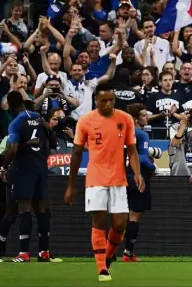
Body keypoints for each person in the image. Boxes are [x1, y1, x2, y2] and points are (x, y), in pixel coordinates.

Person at [65, 83, 144, 282]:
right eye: (104, 101)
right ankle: (101, 268)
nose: (108, 104)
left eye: (112, 100)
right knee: (99, 221)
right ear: (96, 101)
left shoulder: (125, 119)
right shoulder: (85, 121)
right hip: (95, 178)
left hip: (119, 179)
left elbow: (132, 149)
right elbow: (76, 154)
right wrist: (71, 186)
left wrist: (137, 173)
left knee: (120, 224)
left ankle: (108, 255)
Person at [0, 91, 56, 262]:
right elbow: (52, 143)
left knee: (24, 209)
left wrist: (4, 167)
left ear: (11, 104)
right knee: (42, 210)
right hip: (41, 168)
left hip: (24, 169)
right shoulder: (39, 118)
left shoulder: (16, 122)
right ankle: (44, 252)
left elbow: (12, 149)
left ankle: (24, 253)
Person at [123, 103, 156, 262]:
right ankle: (128, 252)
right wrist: (153, 166)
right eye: (144, 115)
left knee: (126, 214)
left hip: (122, 174)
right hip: (137, 175)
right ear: (135, 119)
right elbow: (142, 158)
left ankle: (120, 250)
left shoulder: (123, 132)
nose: (147, 117)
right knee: (134, 214)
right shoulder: (141, 134)